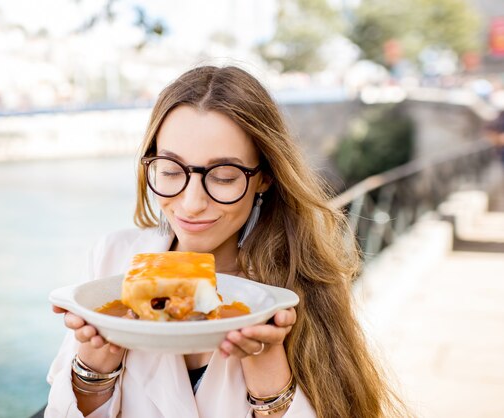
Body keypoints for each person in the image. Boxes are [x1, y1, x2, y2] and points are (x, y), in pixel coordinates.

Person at [45, 66, 407, 418]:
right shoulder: (112, 260)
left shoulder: (298, 286)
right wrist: (94, 368)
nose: (191, 203)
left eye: (222, 177)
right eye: (170, 170)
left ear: (264, 177)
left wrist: (266, 368)